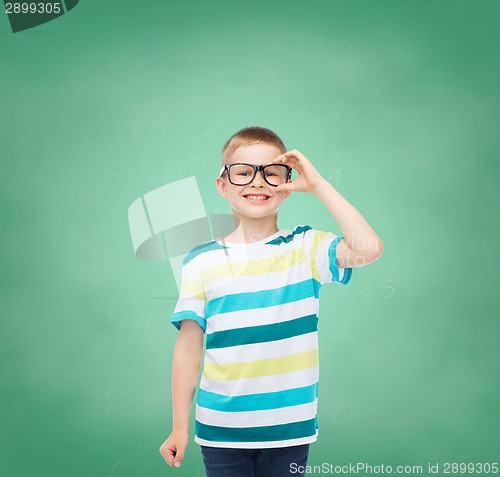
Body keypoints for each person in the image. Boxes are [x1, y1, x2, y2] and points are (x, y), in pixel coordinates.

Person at [159, 126, 384, 476]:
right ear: (223, 185)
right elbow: (188, 348)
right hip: (221, 429)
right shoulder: (200, 261)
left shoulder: (306, 247)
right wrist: (179, 426)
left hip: (289, 429)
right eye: (244, 172)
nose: (258, 182)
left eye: (271, 173)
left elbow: (368, 249)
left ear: (288, 185)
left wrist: (319, 185)